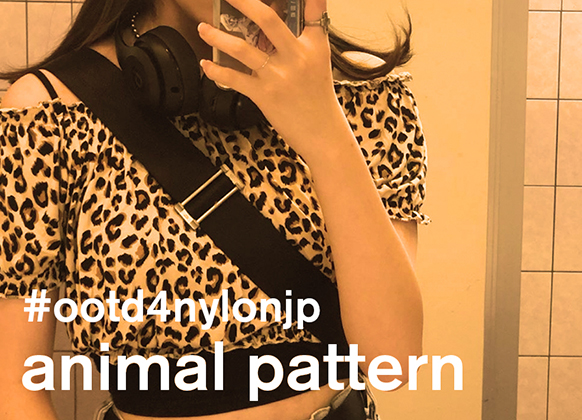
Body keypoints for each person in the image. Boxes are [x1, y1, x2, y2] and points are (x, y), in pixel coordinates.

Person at [0, 0, 429, 419]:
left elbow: (392, 360)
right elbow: (14, 392)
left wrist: (325, 133)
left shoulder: (365, 95)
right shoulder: (45, 114)